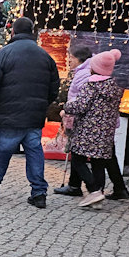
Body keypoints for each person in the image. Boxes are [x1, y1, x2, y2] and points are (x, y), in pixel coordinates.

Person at [0, 17, 59, 208]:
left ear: (13, 32)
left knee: (2, 150)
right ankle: (39, 192)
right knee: (34, 152)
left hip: (9, 112)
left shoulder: (5, 53)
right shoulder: (45, 56)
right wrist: (43, 105)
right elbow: (54, 87)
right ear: (32, 31)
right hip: (34, 114)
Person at [62, 49, 127, 208]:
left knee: (77, 158)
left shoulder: (91, 85)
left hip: (88, 129)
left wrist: (66, 107)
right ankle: (98, 195)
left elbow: (80, 106)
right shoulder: (115, 86)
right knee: (99, 162)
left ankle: (94, 190)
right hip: (106, 131)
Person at [53, 46, 93, 196]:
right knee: (76, 153)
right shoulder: (82, 71)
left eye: (71, 57)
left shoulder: (84, 73)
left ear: (79, 59)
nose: (69, 60)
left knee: (77, 154)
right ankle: (74, 185)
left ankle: (92, 188)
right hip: (78, 116)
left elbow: (83, 98)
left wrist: (68, 109)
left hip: (80, 118)